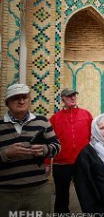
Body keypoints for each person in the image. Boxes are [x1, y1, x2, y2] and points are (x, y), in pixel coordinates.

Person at [0, 83, 61, 215]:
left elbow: (56, 146)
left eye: (25, 97)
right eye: (16, 98)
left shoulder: (42, 121)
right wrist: (6, 153)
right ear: (7, 102)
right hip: (6, 194)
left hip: (38, 191)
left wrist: (45, 150)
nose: (21, 101)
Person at [48, 88, 93, 213]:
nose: (73, 98)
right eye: (69, 96)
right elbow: (48, 142)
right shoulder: (55, 119)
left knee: (86, 193)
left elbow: (93, 138)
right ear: (63, 99)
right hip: (61, 164)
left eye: (74, 95)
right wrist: (46, 162)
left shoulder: (86, 114)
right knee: (61, 197)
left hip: (82, 162)